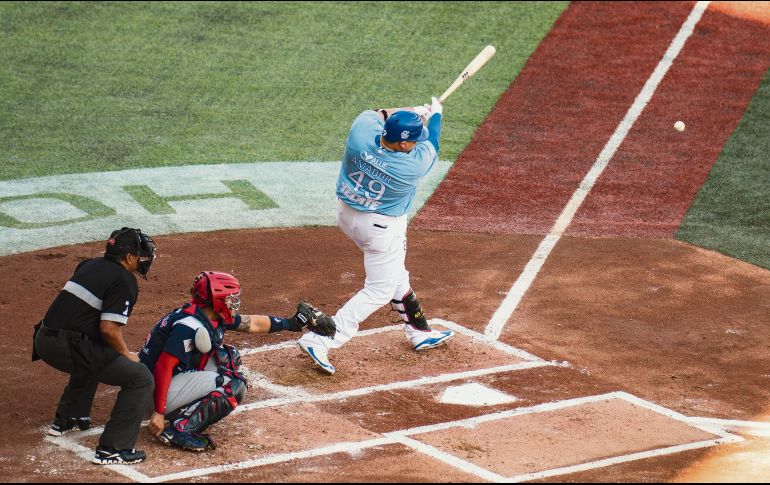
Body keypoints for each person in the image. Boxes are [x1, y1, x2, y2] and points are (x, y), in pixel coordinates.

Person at [297, 97, 455, 375]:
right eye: (414, 140)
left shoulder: (360, 133)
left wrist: (412, 111)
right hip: (380, 229)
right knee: (379, 289)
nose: (417, 143)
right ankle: (323, 337)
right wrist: (436, 114)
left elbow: (379, 113)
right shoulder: (411, 167)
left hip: (346, 215)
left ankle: (419, 331)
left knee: (395, 274)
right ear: (405, 145)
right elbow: (435, 143)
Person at [139, 271, 334, 452]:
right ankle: (179, 429)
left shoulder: (207, 314)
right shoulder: (188, 326)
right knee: (233, 386)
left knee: (229, 357)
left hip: (162, 381)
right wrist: (158, 411)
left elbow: (254, 323)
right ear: (216, 300)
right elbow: (163, 366)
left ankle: (179, 412)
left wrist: (291, 323)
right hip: (152, 391)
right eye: (230, 299)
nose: (234, 303)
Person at [33, 227, 157, 465]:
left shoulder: (88, 265)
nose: (142, 260)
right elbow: (109, 328)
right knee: (140, 378)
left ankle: (70, 418)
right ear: (129, 257)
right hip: (66, 345)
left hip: (44, 339)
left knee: (95, 352)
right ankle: (114, 448)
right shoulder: (124, 280)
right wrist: (126, 354)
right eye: (139, 255)